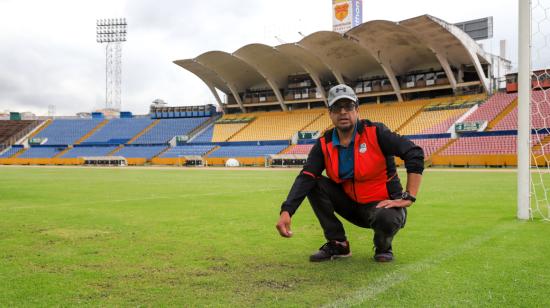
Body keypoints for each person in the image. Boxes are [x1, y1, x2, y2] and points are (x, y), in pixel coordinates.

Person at [275, 84, 424, 262]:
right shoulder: (324, 143)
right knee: (313, 181)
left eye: (349, 106)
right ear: (330, 113)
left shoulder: (376, 133)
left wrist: (409, 196)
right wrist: (287, 211)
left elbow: (414, 153)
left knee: (387, 218)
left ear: (357, 110)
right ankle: (338, 244)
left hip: (381, 207)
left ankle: (383, 246)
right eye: (337, 108)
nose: (343, 112)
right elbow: (306, 176)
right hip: (350, 205)